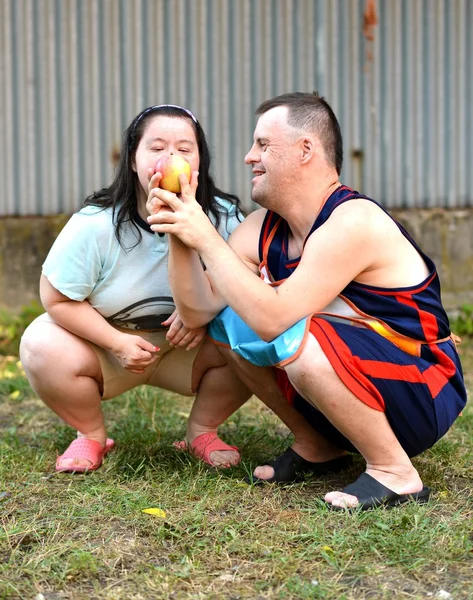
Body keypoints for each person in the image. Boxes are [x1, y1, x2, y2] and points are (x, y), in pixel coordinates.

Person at [145, 92, 467, 510]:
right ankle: (315, 444)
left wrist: (205, 234)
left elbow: (274, 317)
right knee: (228, 322)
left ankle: (395, 473)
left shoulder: (353, 221)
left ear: (305, 150)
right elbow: (199, 309)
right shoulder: (263, 227)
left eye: (262, 144)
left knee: (302, 337)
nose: (248, 157)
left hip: (423, 391)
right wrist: (180, 231)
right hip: (368, 380)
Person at [20, 104, 251, 473]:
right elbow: (56, 299)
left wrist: (201, 314)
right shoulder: (96, 225)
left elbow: (246, 280)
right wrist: (116, 342)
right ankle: (91, 434)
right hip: (108, 348)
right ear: (133, 160)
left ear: (200, 162)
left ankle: (202, 430)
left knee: (255, 329)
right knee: (39, 343)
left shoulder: (224, 218)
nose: (170, 157)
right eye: (156, 148)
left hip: (190, 349)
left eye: (184, 149)